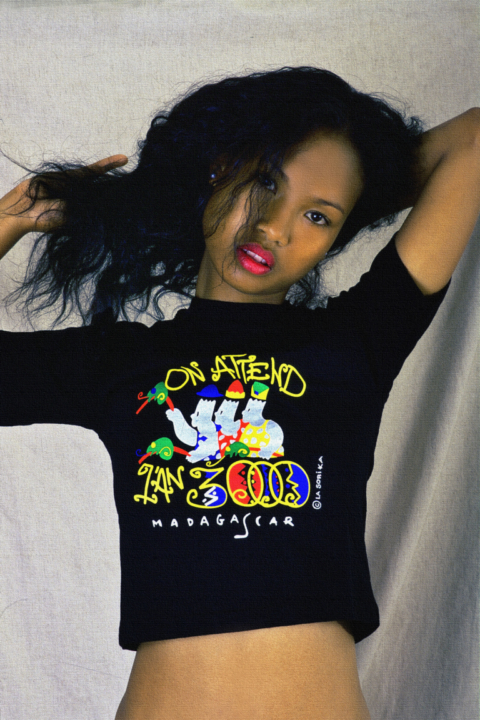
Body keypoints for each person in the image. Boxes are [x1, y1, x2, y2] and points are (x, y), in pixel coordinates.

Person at [0, 67, 478, 720]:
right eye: (266, 182)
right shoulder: (120, 363)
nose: (275, 228)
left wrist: (362, 181)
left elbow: (473, 141)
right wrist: (8, 223)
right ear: (219, 168)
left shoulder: (355, 343)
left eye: (316, 216)